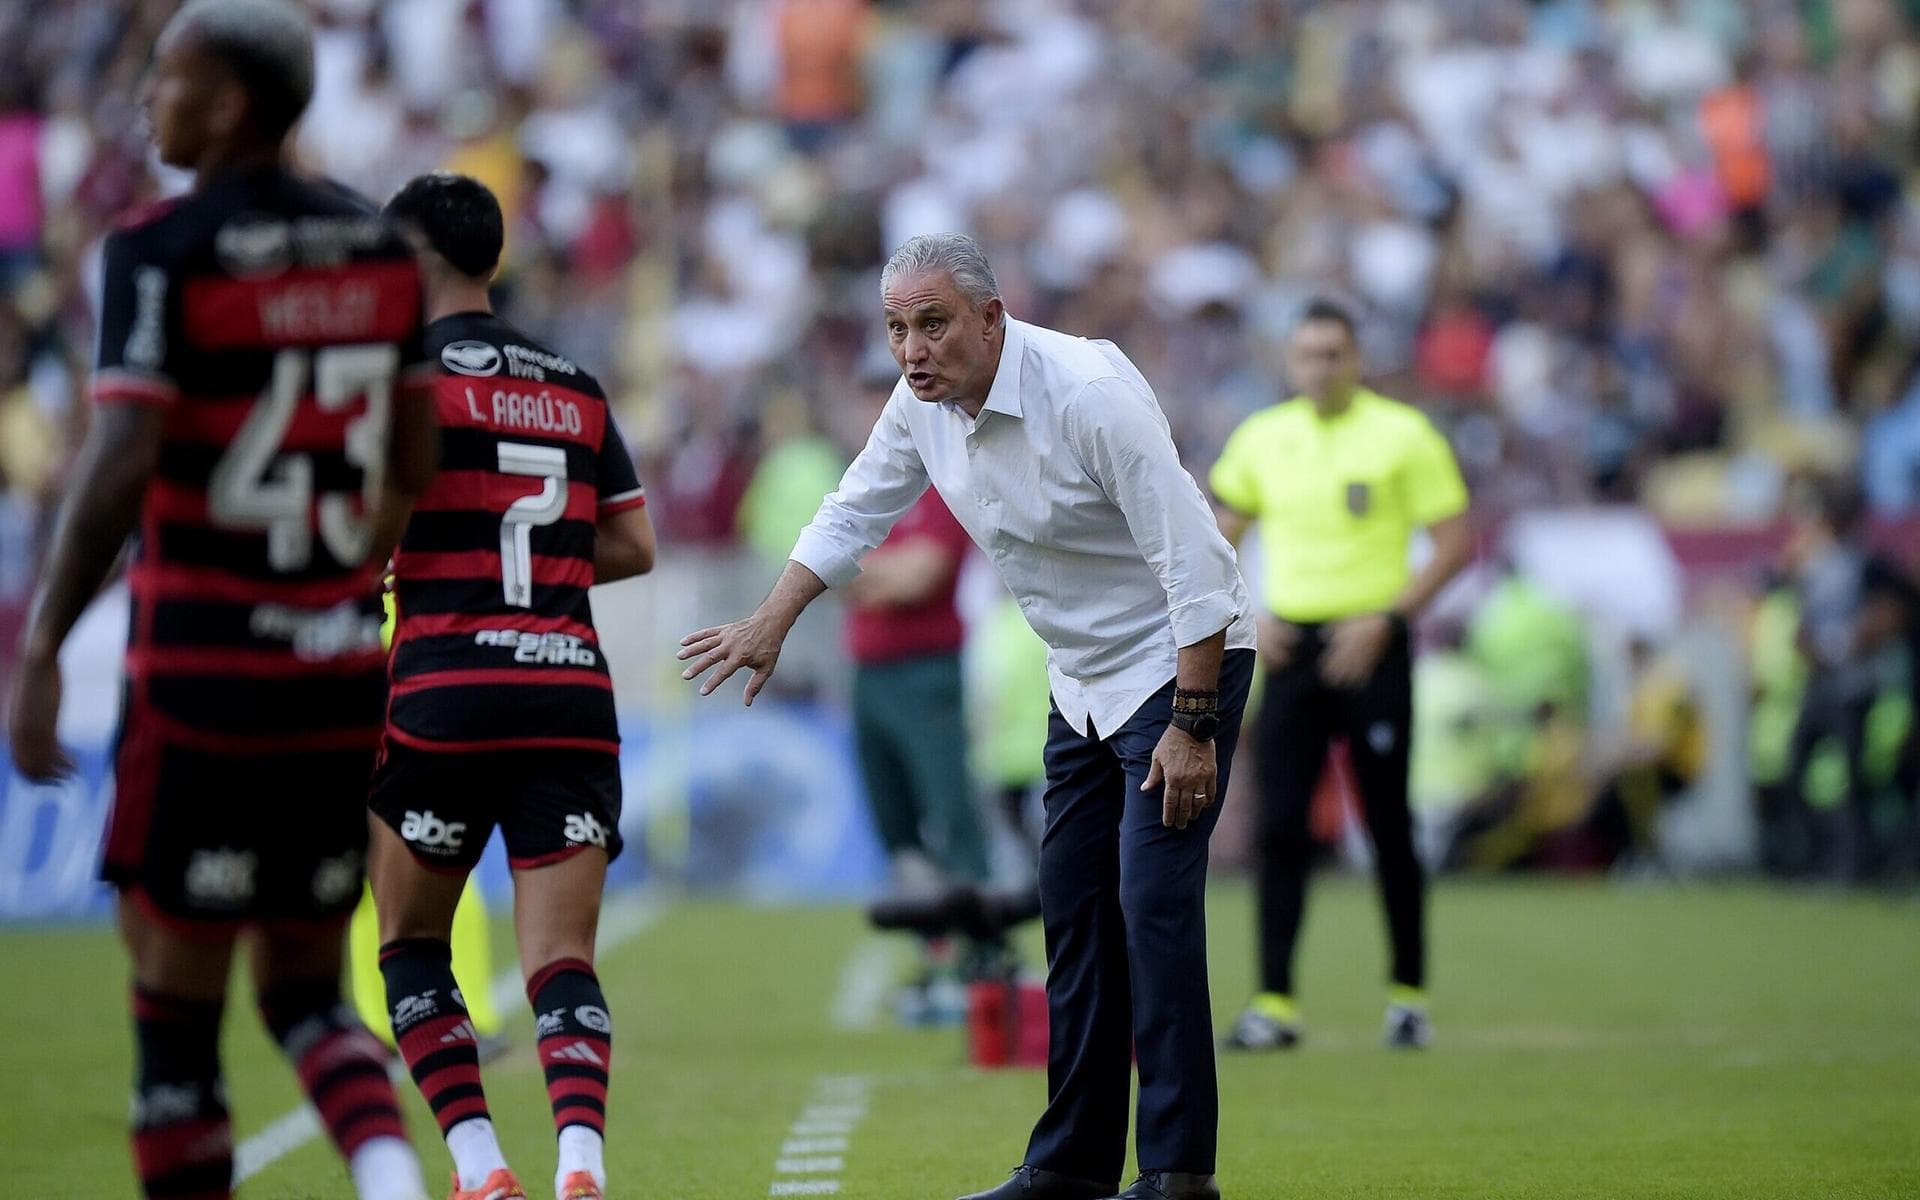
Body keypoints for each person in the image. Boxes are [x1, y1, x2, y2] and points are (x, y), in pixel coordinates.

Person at [679, 233, 1257, 1200]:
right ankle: (1071, 1167)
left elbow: (1198, 569)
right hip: (1081, 681)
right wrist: (770, 621)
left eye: (934, 323)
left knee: (1152, 912)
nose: (912, 349)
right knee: (1073, 918)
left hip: (1179, 666)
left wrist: (1193, 724)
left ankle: (1176, 1173)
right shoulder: (920, 406)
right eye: (898, 328)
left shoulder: (1085, 393)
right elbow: (852, 512)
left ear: (993, 318)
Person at [4, 4, 437, 1199]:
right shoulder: (379, 249)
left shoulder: (159, 248)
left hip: (199, 679)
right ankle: (396, 1182)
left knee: (172, 1008)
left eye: (172, 78)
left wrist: (43, 642)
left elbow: (122, 456)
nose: (150, 100)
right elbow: (412, 456)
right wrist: (342, 587)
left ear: (233, 104)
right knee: (305, 985)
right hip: (337, 673)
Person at [367, 171, 656, 1200]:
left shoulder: (398, 379)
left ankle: (482, 1169)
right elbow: (634, 542)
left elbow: (359, 530)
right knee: (560, 957)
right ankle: (582, 1159)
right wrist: (533, 572)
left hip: (443, 689)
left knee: (409, 942)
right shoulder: (574, 382)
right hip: (569, 692)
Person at [1210, 299, 1472, 1052]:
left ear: (1357, 359)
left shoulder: (1403, 435)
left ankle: (1408, 996)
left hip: (1372, 643)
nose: (1320, 367)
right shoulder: (1263, 439)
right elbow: (1214, 537)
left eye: (1334, 353)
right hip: (1291, 647)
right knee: (1279, 827)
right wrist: (1248, 617)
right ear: (1290, 363)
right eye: (1308, 355)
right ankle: (1275, 1001)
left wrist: (1389, 620)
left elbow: (1455, 543)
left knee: (1389, 824)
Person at [842, 353, 997, 1019]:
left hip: (926, 671)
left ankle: (982, 956)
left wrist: (862, 574)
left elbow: (923, 576)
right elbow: (830, 567)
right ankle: (935, 956)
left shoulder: (938, 481)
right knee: (896, 826)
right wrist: (875, 573)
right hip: (870, 675)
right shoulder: (860, 487)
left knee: (951, 815)